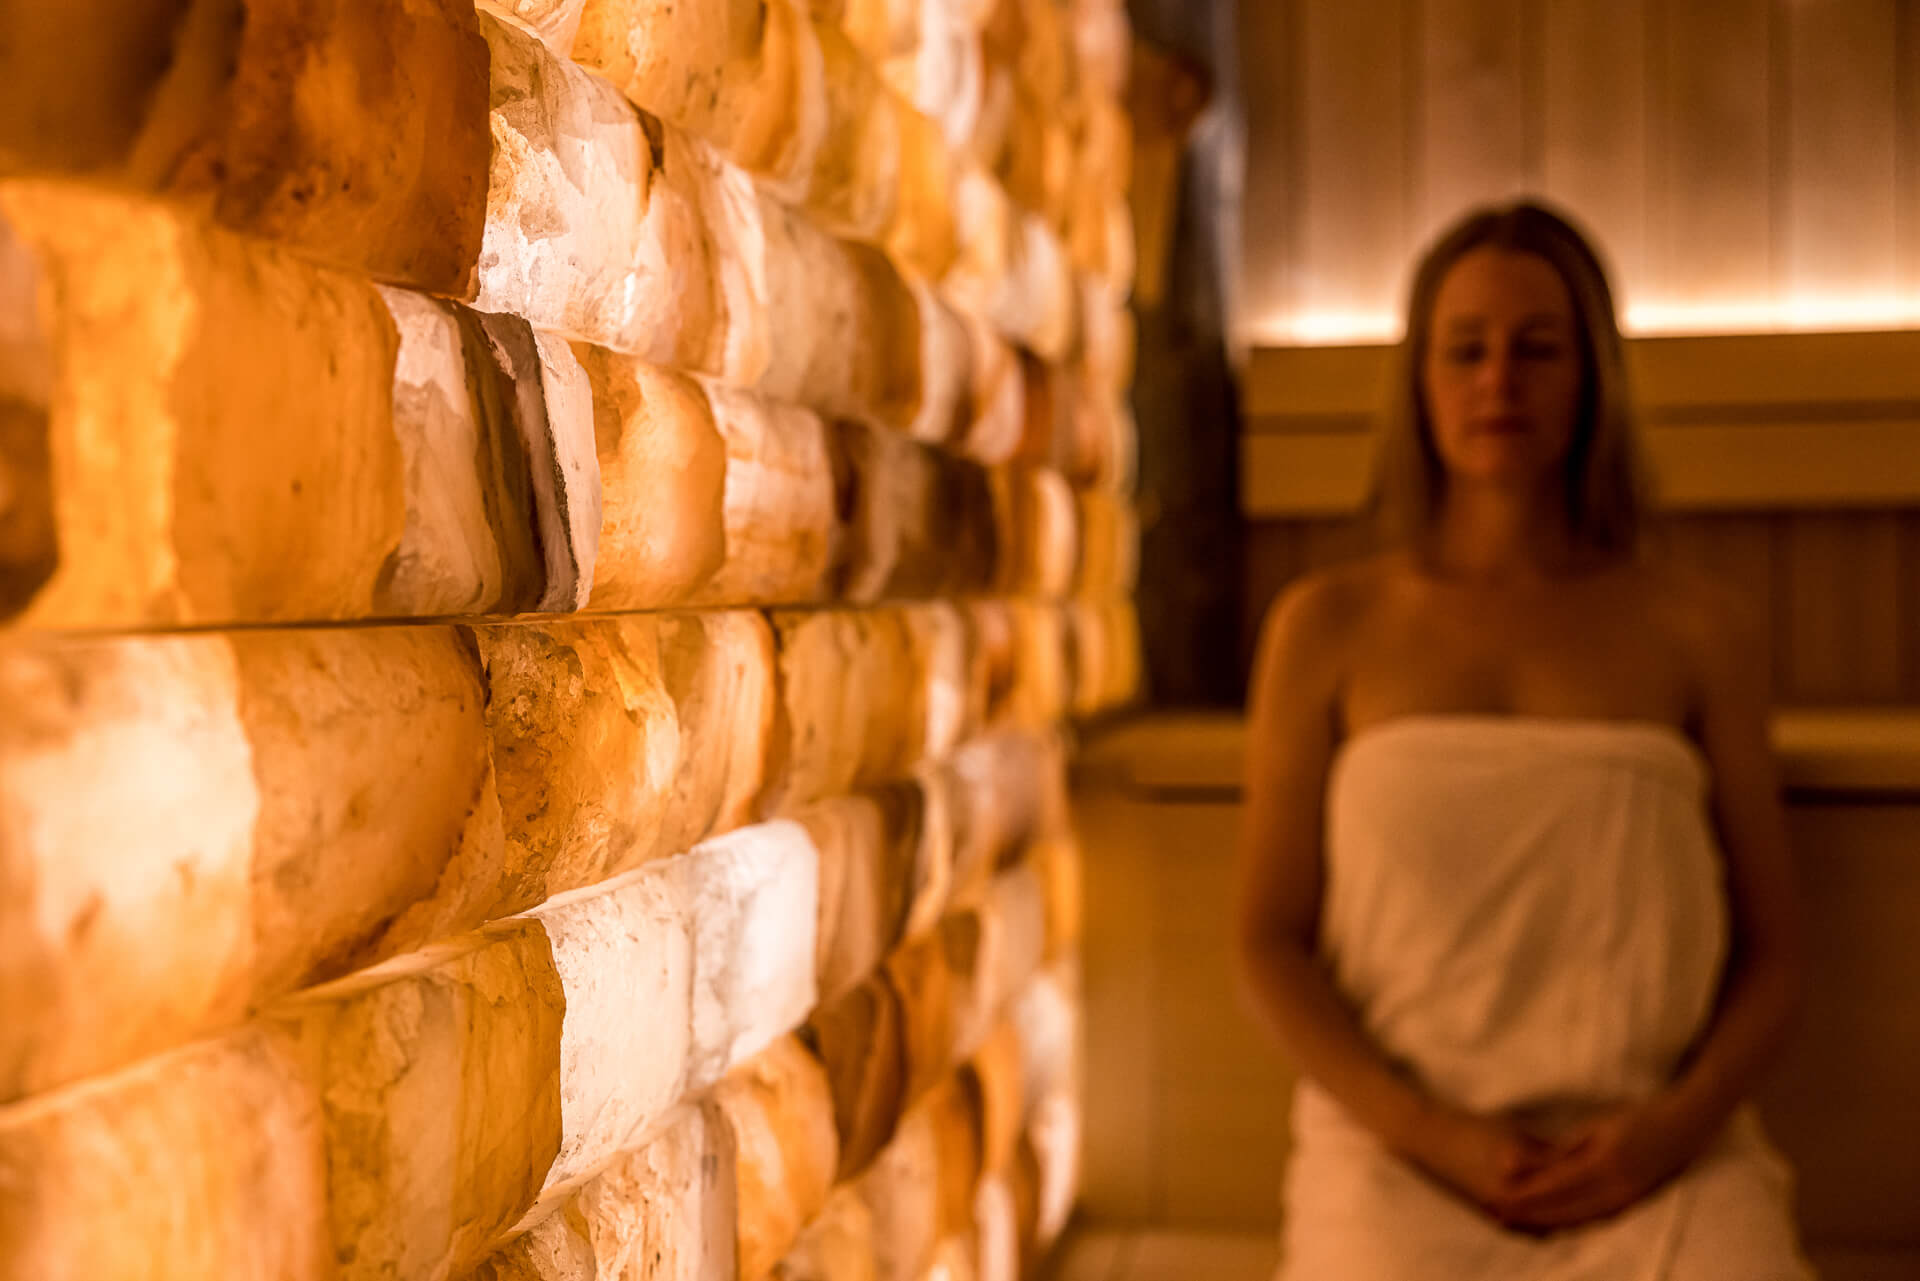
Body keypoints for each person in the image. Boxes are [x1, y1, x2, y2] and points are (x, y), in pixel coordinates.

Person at [1236, 202, 1814, 1278]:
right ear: (1420, 380)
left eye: (1538, 349)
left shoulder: (1700, 629)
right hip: (1396, 1157)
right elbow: (1267, 941)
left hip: (1659, 1154)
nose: (1499, 380)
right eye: (1466, 349)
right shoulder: (1326, 628)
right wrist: (1431, 1135)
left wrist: (1670, 1131)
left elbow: (1775, 954)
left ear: (1592, 376)